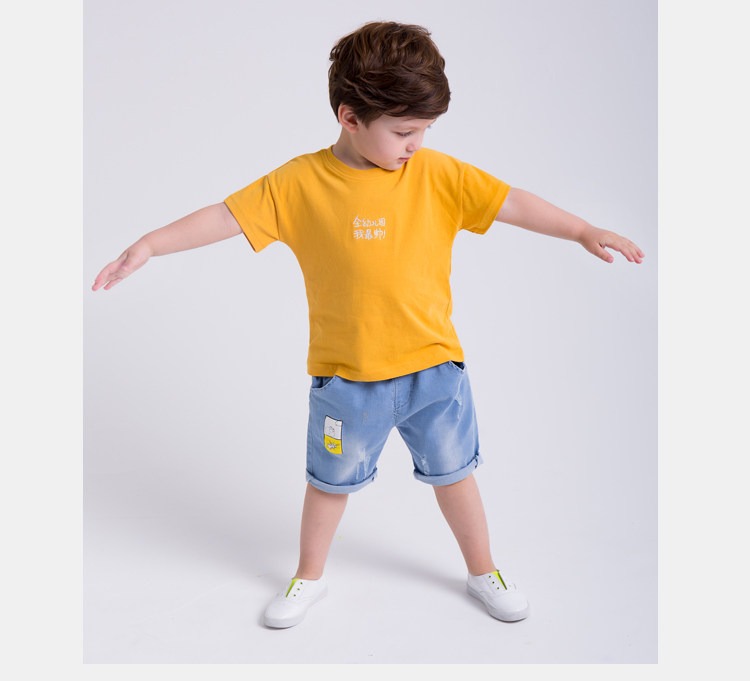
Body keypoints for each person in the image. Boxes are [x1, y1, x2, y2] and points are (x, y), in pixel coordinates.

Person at [92, 21, 644, 629]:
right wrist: (151, 244)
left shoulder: (437, 174)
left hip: (435, 371)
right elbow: (226, 216)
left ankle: (483, 569)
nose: (416, 144)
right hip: (347, 381)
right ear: (350, 117)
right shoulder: (300, 183)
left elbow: (510, 201)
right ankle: (308, 577)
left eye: (425, 130)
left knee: (456, 476)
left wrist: (581, 229)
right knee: (329, 484)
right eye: (404, 132)